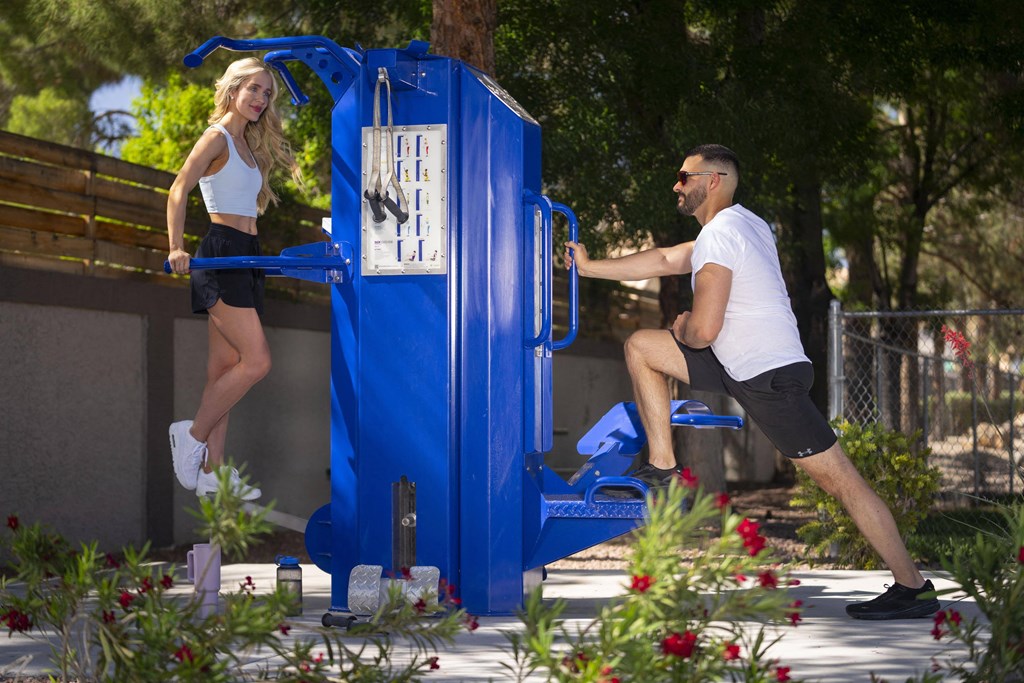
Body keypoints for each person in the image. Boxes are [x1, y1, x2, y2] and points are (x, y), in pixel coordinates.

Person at [563, 144, 940, 620]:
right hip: (738, 363)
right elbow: (664, 259)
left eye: (684, 176)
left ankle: (914, 587)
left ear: (713, 180)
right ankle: (661, 468)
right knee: (641, 346)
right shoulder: (746, 226)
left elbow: (701, 331)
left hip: (766, 377)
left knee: (843, 482)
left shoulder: (721, 235)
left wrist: (680, 326)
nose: (676, 185)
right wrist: (591, 266)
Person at [165, 57, 300, 502]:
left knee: (224, 371)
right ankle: (192, 434)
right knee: (257, 362)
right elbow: (179, 188)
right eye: (254, 90)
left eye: (267, 93)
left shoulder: (247, 144)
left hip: (248, 258)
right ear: (233, 89)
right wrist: (175, 247)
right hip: (222, 256)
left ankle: (214, 473)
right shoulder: (217, 136)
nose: (260, 99)